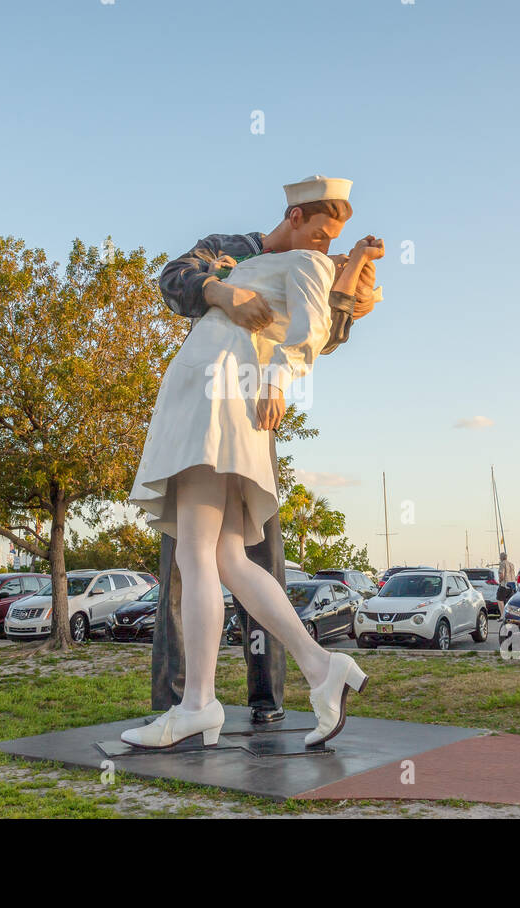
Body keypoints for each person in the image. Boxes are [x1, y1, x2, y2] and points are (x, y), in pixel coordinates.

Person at [124, 175, 382, 749]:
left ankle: (198, 704)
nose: (323, 245)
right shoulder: (235, 250)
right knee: (227, 559)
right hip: (219, 392)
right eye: (318, 233)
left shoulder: (310, 264)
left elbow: (316, 331)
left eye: (330, 239)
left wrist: (281, 370)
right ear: (294, 217)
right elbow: (176, 279)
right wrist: (219, 290)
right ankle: (320, 668)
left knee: (198, 555)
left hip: (218, 395)